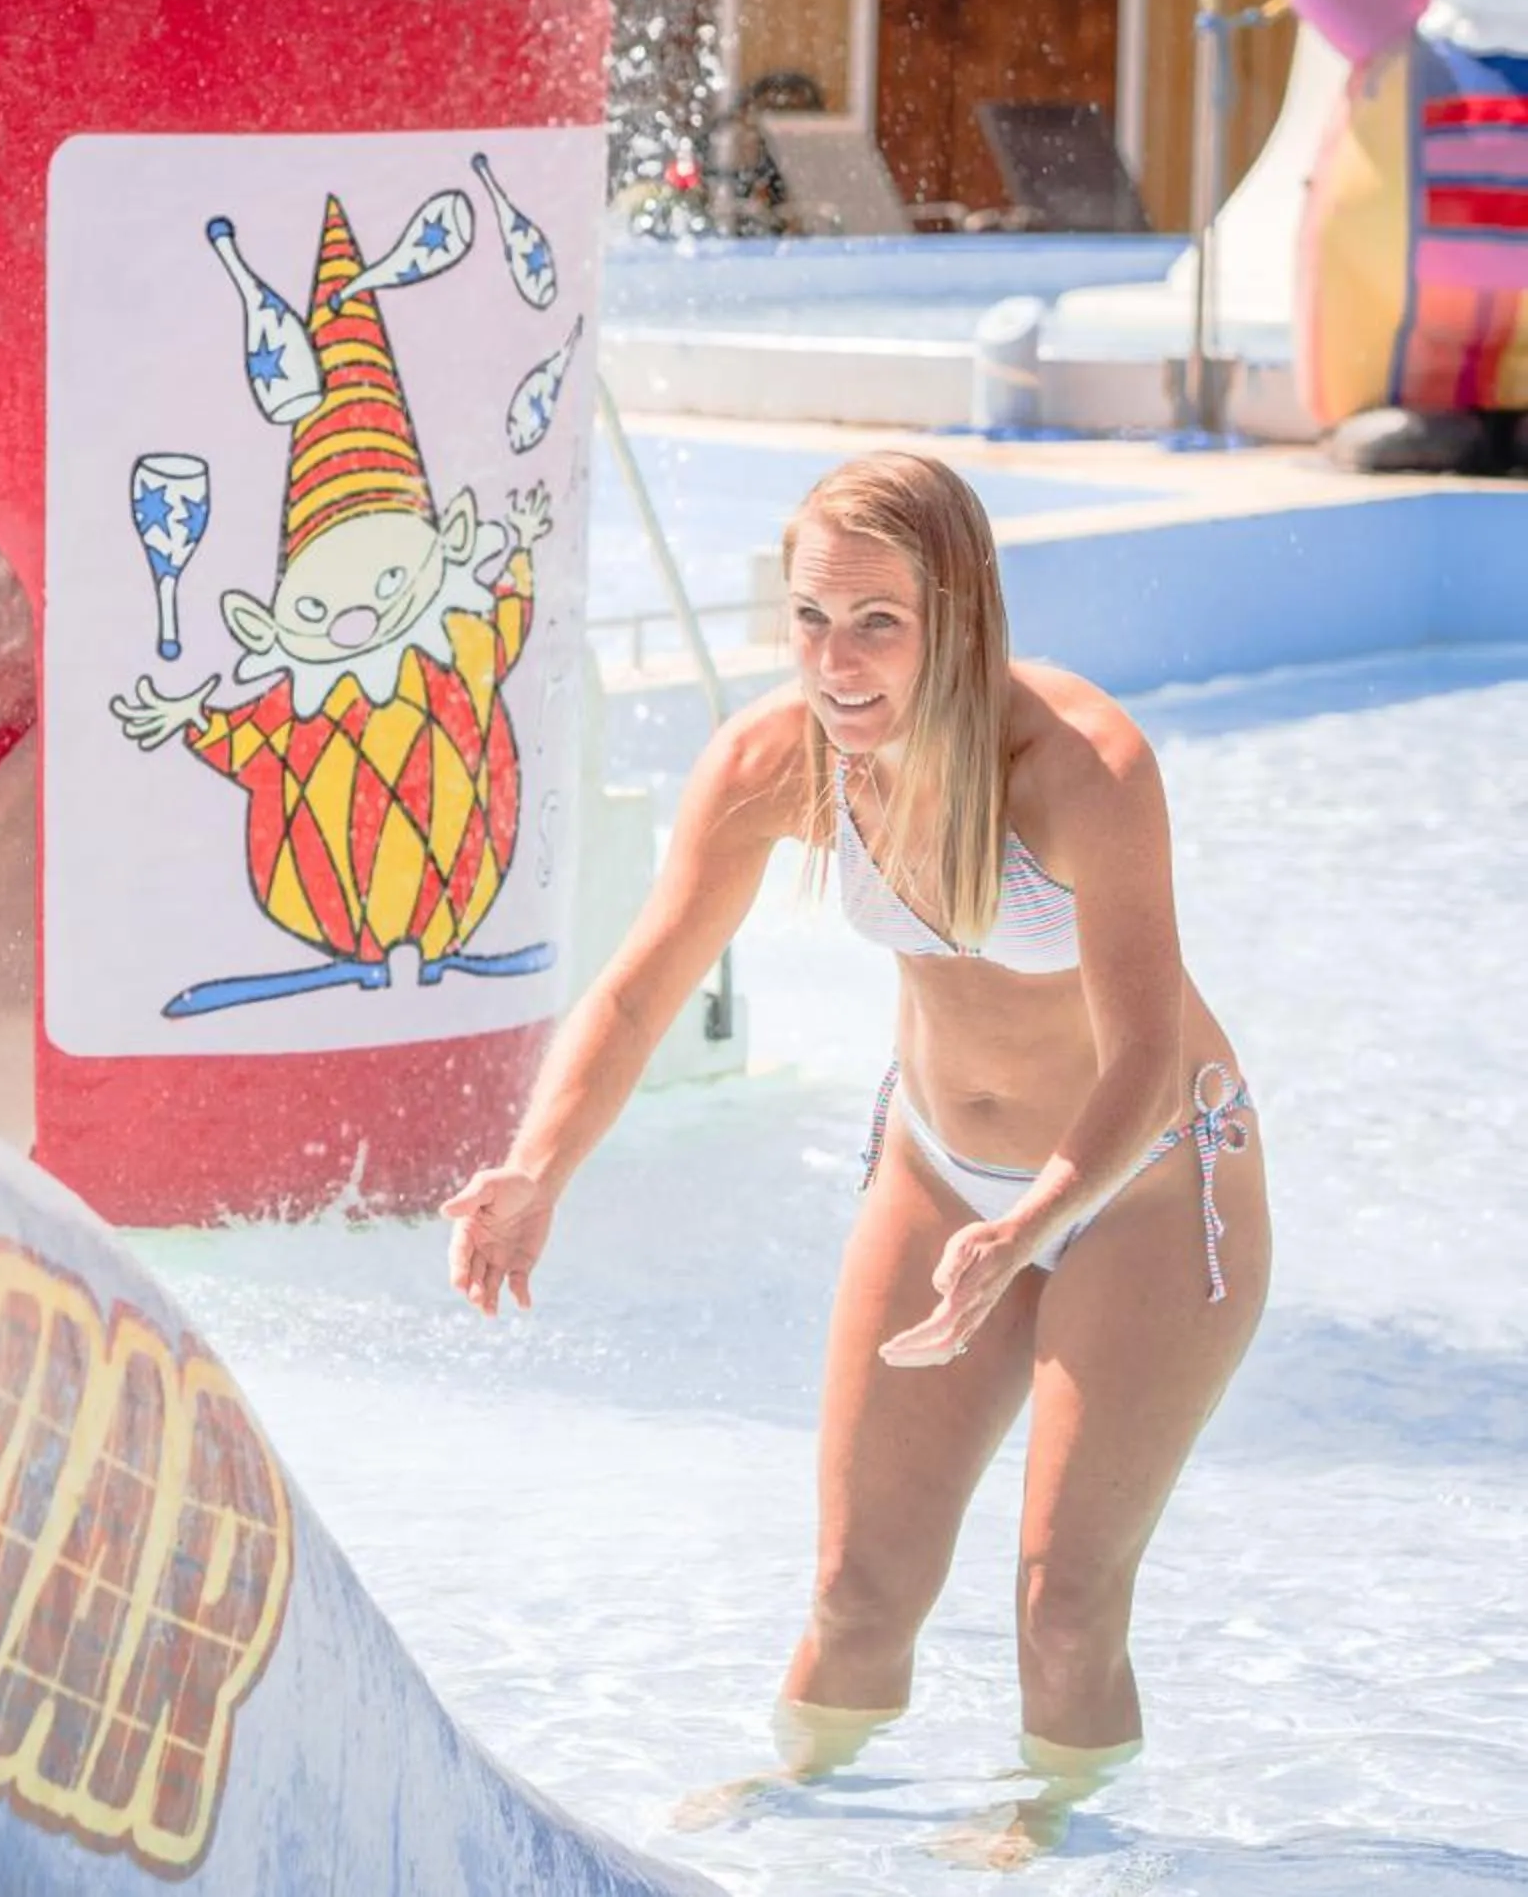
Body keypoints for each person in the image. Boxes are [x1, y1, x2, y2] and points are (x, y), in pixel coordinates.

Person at [442, 452, 1270, 1863]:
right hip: (941, 1170)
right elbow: (642, 988)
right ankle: (798, 1813)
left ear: (958, 612)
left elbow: (1141, 1058)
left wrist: (1030, 1231)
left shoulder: (1082, 768)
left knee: (1060, 1601)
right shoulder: (780, 761)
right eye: (811, 616)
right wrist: (537, 1167)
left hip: (1142, 1186)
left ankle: (1062, 1825)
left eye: (876, 620)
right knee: (852, 1584)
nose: (835, 660)